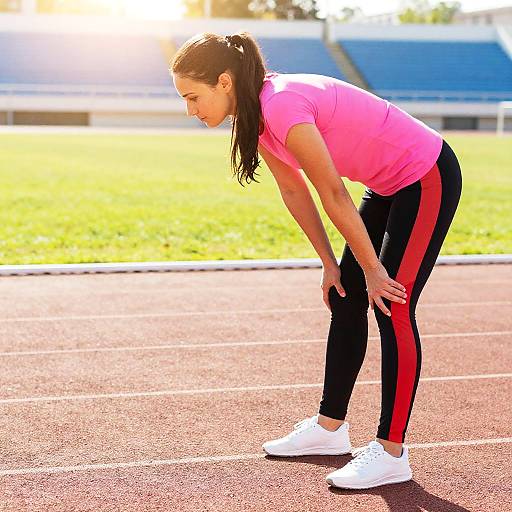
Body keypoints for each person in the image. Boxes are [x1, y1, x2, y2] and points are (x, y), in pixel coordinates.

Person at [170, 31, 463, 489]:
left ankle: (391, 452)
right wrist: (331, 264)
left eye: (193, 97)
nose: (190, 109)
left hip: (424, 175)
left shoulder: (282, 105)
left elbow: (333, 193)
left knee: (393, 304)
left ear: (224, 81)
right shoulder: (254, 114)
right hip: (387, 185)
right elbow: (294, 190)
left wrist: (374, 269)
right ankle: (330, 430)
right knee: (345, 297)